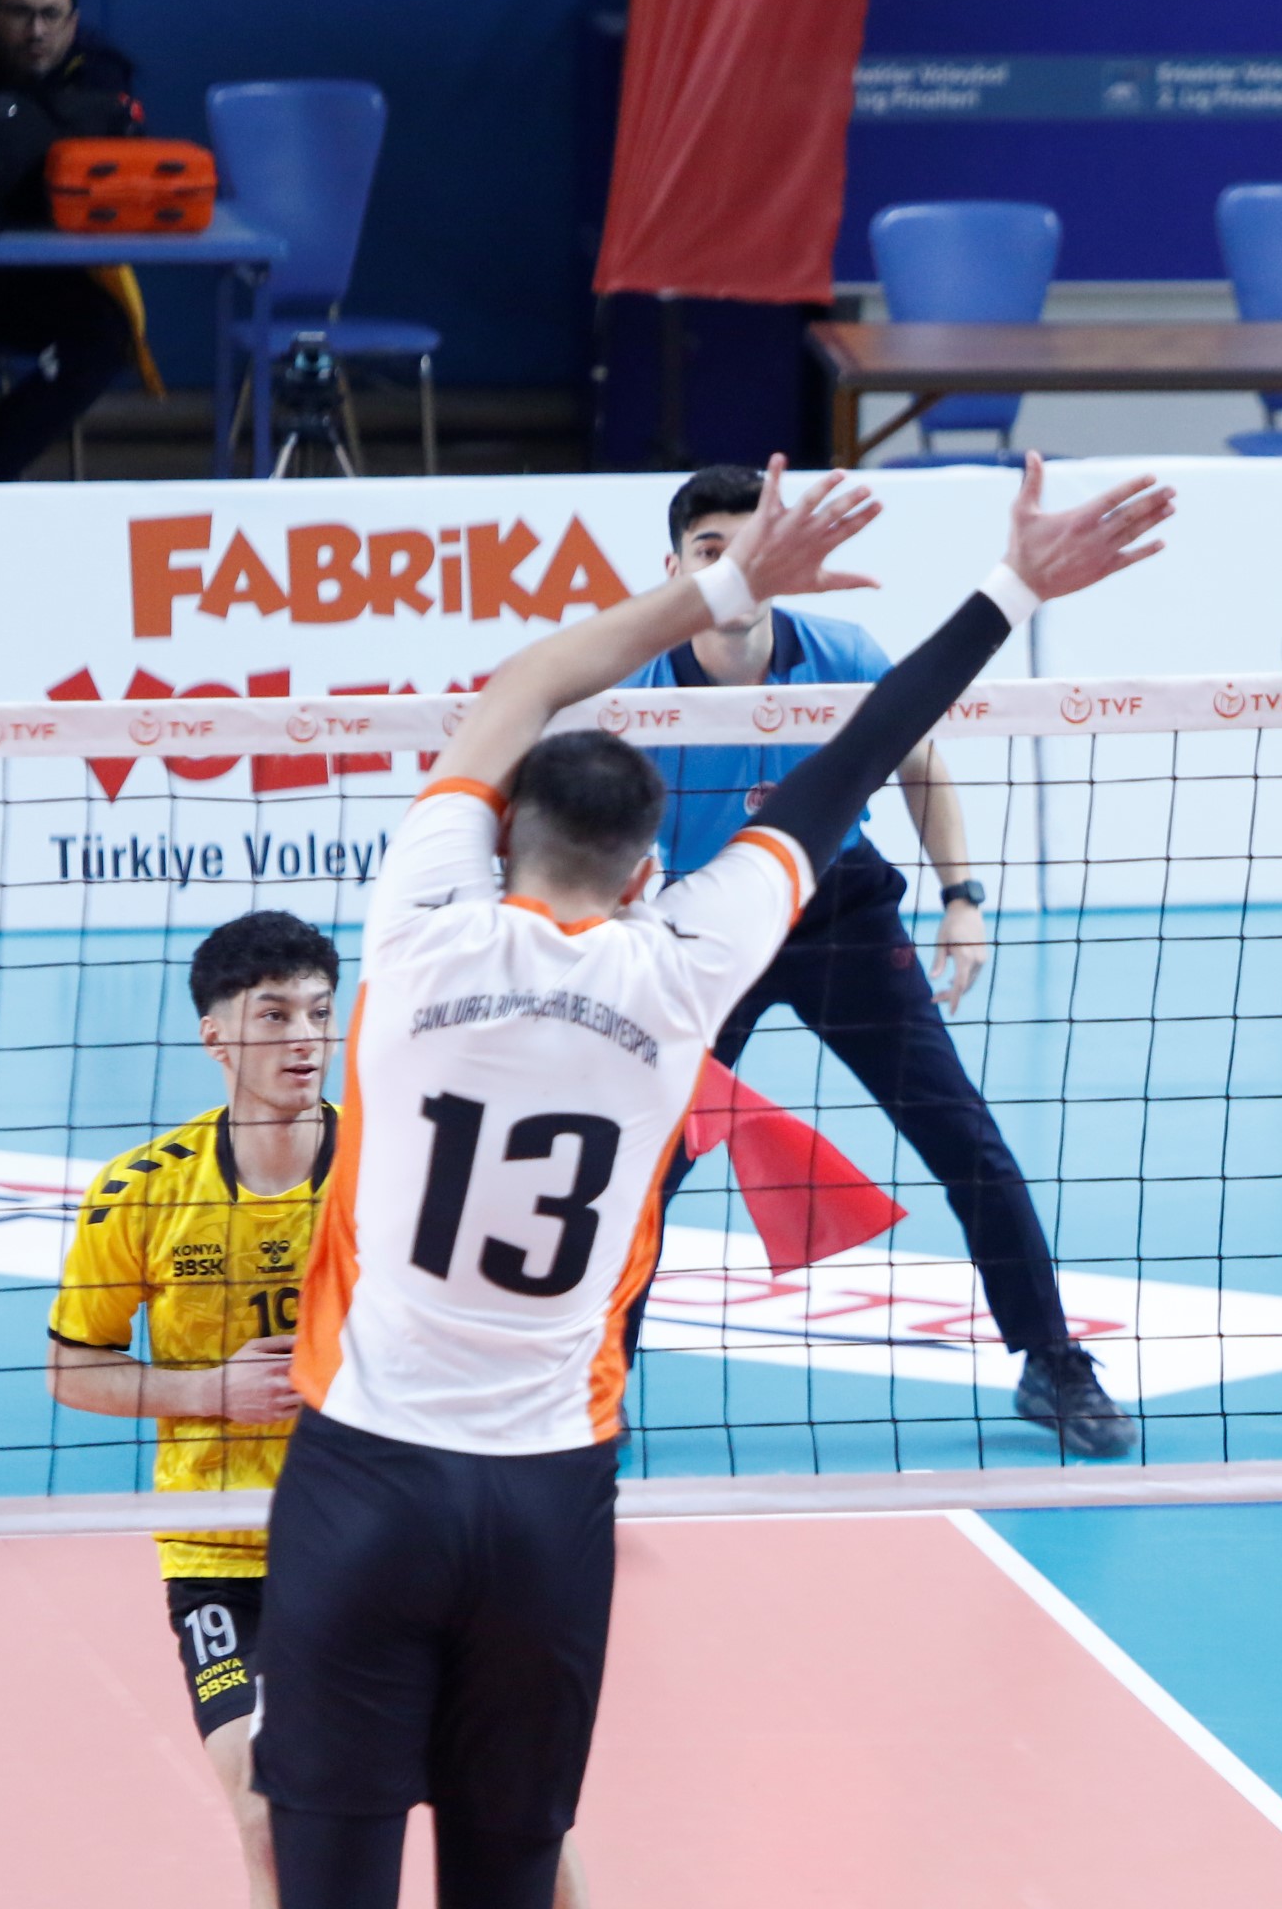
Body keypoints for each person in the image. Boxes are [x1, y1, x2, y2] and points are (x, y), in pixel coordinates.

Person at [249, 453, 1170, 1909]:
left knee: (326, 1872)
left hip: (364, 1470)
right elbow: (862, 754)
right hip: (547, 1496)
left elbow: (528, 682)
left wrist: (723, 582)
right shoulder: (685, 969)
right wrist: (1012, 587)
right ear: (645, 875)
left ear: (494, 835)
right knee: (512, 1867)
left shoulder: (418, 932)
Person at [45, 914, 594, 1909]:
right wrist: (208, 1390)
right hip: (225, 1549)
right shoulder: (143, 1191)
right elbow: (71, 1367)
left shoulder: (397, 1167)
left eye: (318, 1012)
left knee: (511, 1816)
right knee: (267, 1816)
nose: (304, 1037)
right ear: (216, 1034)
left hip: (395, 1529)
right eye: (274, 1015)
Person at [620, 463, 1132, 1457]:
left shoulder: (842, 652)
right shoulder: (637, 690)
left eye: (749, 548)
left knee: (962, 1135)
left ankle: (1053, 1359)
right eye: (709, 551)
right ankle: (599, 1371)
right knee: (645, 1162)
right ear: (674, 569)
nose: (731, 568)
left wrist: (962, 899)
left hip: (839, 912)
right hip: (700, 929)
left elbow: (920, 763)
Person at [0, 0, 137, 480]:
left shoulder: (101, 76)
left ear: (72, 22)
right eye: (19, 13)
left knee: (106, 333)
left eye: (50, 15)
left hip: (48, 277)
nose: (36, 31)